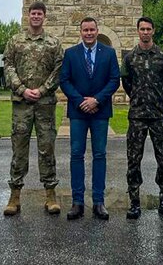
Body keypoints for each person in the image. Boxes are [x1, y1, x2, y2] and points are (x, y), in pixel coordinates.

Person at [2, 2, 64, 216]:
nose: (36, 17)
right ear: (28, 16)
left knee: (47, 148)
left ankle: (50, 194)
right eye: (33, 13)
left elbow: (59, 69)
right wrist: (21, 89)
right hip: (22, 105)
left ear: (44, 17)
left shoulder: (53, 43)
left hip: (45, 104)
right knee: (19, 148)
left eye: (39, 14)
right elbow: (8, 66)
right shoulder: (16, 41)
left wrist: (42, 89)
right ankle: (15, 195)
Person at [59, 17, 120, 220]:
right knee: (76, 155)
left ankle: (99, 202)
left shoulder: (109, 53)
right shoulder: (70, 53)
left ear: (97, 30)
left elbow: (114, 80)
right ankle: (77, 202)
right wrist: (80, 101)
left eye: (92, 29)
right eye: (85, 30)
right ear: (81, 31)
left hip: (100, 112)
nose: (89, 33)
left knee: (99, 155)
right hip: (78, 112)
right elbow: (65, 80)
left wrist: (96, 100)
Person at [121, 16, 163, 220]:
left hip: (158, 116)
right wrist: (137, 97)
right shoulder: (130, 58)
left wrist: (159, 98)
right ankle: (134, 202)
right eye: (142, 29)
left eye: (148, 29)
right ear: (137, 31)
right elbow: (126, 81)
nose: (145, 32)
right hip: (136, 116)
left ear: (153, 31)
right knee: (133, 160)